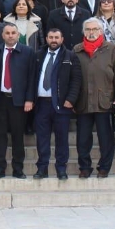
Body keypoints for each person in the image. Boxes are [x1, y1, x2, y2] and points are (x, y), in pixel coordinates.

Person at [73, 19, 115, 179]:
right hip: (83, 102)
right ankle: (84, 167)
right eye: (88, 29)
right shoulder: (77, 50)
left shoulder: (112, 49)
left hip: (105, 101)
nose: (91, 32)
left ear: (101, 31)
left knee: (106, 138)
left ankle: (104, 167)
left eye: (95, 29)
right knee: (82, 139)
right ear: (84, 32)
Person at [31, 28, 82, 179]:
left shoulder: (70, 56)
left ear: (62, 39)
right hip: (41, 104)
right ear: (46, 39)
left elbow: (76, 80)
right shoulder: (38, 55)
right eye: (51, 37)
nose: (54, 40)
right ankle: (42, 168)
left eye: (56, 37)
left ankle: (61, 169)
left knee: (62, 139)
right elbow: (32, 78)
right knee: (42, 139)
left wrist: (71, 99)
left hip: (61, 104)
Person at [0, 24, 35, 179]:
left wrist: (29, 99)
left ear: (18, 35)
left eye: (13, 33)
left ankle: (18, 169)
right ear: (2, 35)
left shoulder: (27, 52)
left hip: (19, 101)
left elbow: (31, 77)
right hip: (0, 99)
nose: (10, 35)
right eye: (7, 33)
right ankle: (0, 169)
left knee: (17, 135)